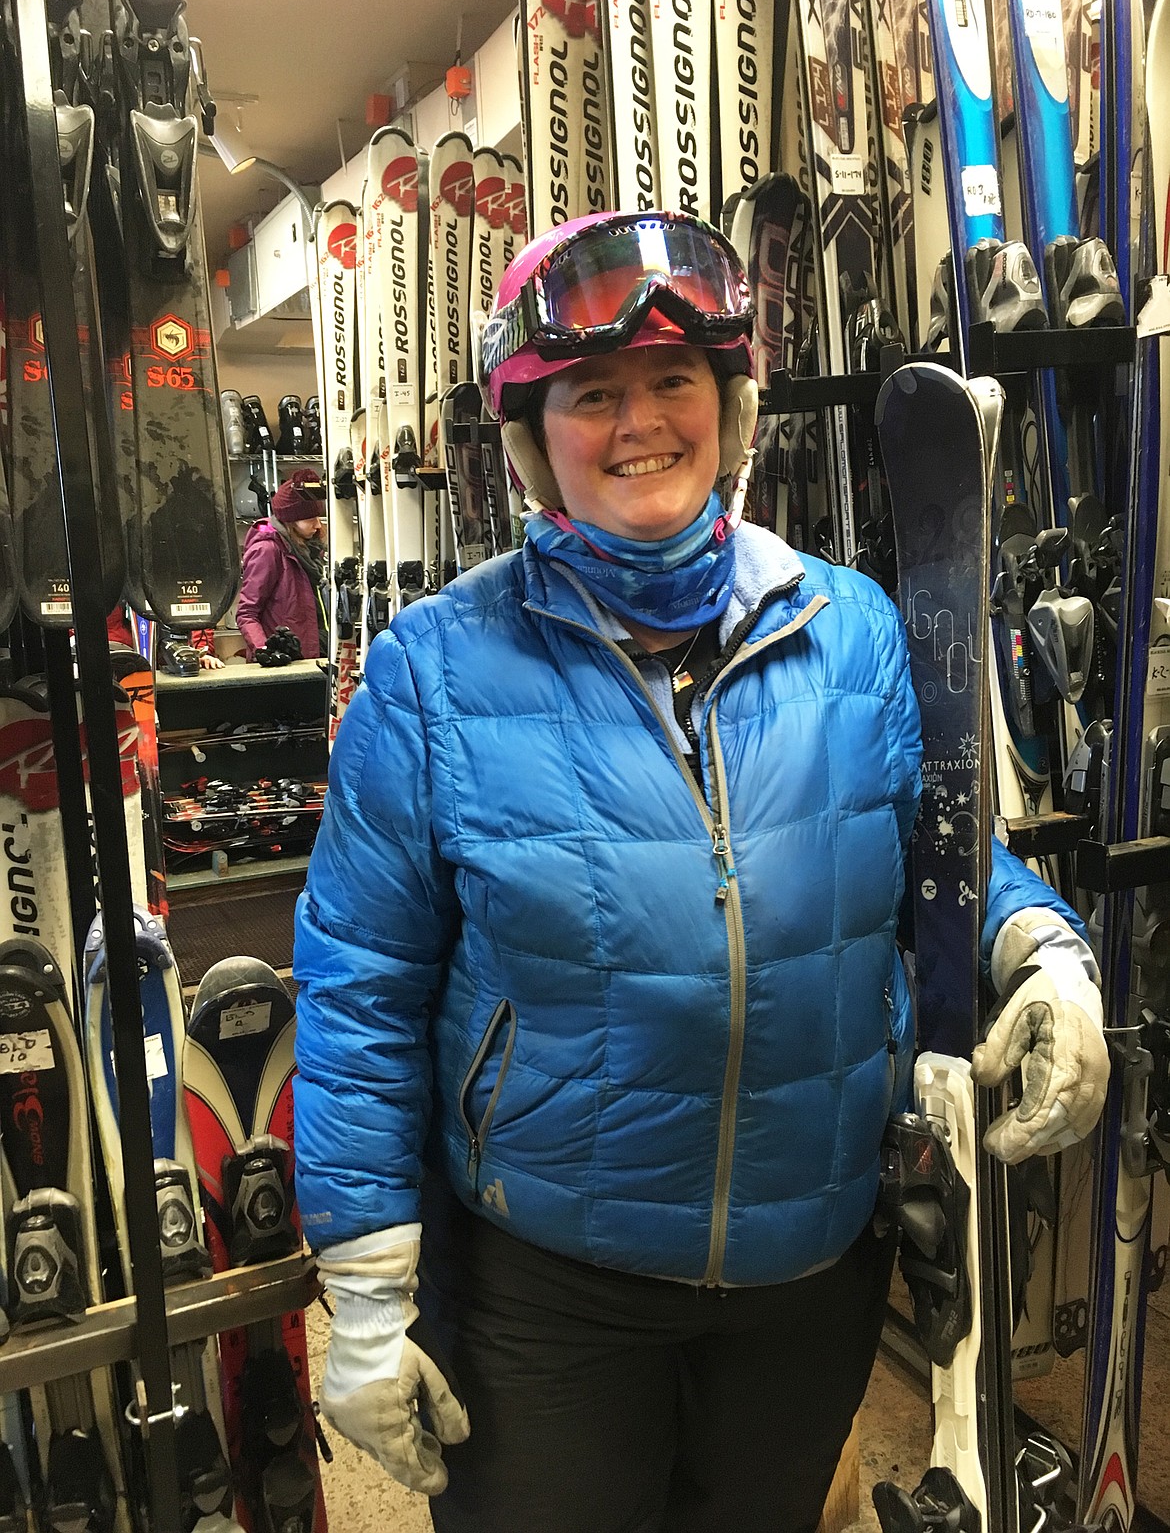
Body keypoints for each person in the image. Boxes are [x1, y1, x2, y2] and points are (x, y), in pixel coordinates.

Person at [292, 212, 1109, 1533]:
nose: (639, 424)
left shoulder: (847, 627)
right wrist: (372, 1286)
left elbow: (932, 859)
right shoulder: (433, 672)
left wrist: (1039, 945)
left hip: (810, 1267)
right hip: (551, 1286)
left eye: (674, 382)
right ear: (532, 441)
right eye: (591, 395)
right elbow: (361, 987)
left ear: (728, 408)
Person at [236, 467, 327, 663]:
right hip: (282, 664)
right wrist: (266, 650)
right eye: (310, 519)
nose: (318, 525)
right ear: (290, 521)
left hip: (311, 658)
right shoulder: (268, 551)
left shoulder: (309, 552)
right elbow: (247, 613)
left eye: (318, 518)